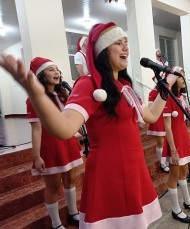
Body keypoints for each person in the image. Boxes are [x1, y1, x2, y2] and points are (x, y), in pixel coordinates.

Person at [0, 22, 178, 229]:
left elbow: (152, 115)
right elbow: (65, 128)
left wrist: (166, 86)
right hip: (108, 172)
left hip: (134, 167)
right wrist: (36, 93)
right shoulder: (88, 83)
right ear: (102, 51)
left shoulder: (125, 86)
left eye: (126, 43)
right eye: (118, 43)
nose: (125, 48)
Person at [27, 57, 83, 229]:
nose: (57, 72)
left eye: (57, 69)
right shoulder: (34, 99)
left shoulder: (63, 95)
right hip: (50, 147)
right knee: (52, 187)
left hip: (68, 143)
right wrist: (36, 156)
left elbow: (70, 121)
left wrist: (82, 133)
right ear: (41, 75)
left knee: (70, 180)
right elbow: (36, 129)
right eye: (51, 69)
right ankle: (56, 223)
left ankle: (73, 213)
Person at [161, 66, 190, 224]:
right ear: (172, 78)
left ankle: (187, 202)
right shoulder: (168, 97)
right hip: (175, 141)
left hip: (183, 138)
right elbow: (167, 126)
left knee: (184, 170)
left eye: (183, 75)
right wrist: (173, 150)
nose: (184, 79)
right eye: (180, 76)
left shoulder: (181, 97)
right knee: (174, 175)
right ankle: (175, 209)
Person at [147, 79, 169, 173]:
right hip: (158, 119)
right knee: (160, 143)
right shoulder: (153, 92)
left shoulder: (168, 91)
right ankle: (163, 163)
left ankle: (167, 160)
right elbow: (150, 108)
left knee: (168, 141)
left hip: (167, 118)